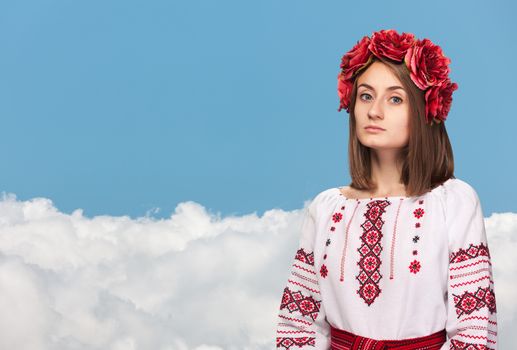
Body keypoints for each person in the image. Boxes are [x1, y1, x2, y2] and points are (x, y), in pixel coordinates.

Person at [274, 29, 498, 350]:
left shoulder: (453, 203)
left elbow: (474, 329)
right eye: (366, 95)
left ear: (425, 111)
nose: (374, 110)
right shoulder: (326, 209)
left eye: (395, 99)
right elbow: (297, 324)